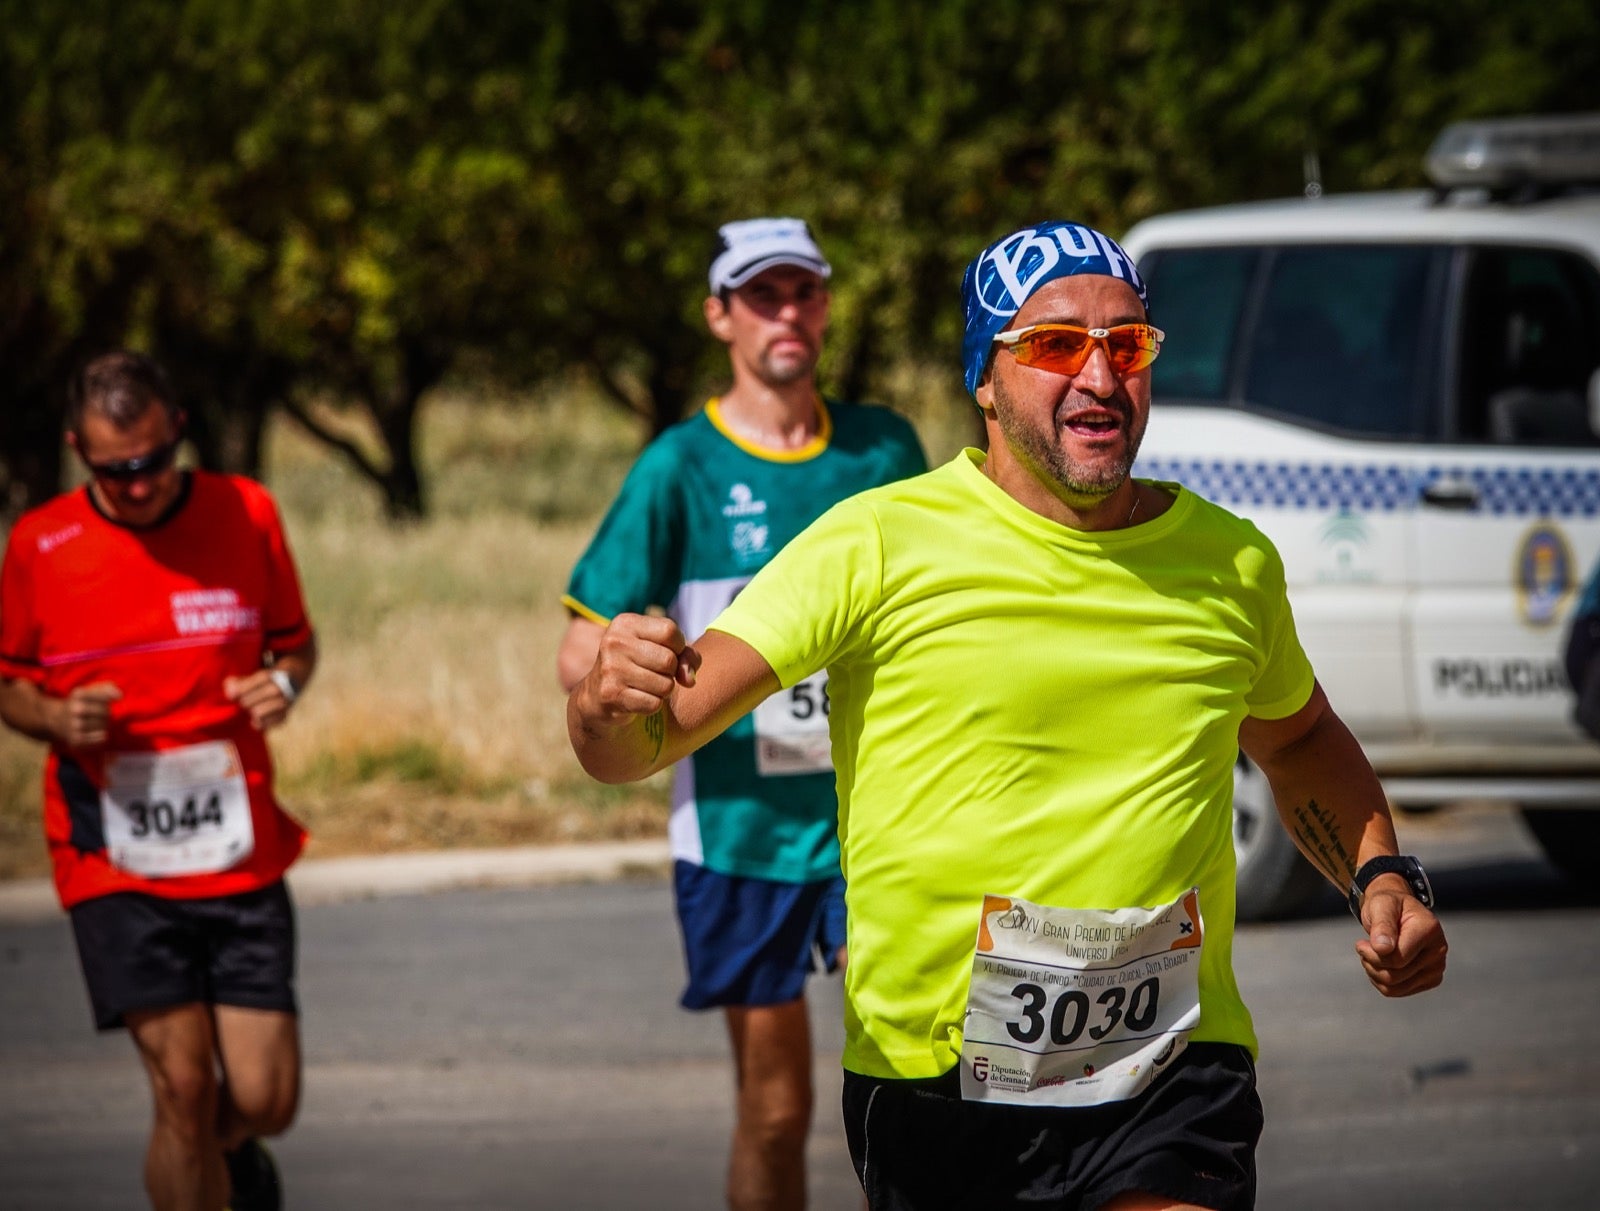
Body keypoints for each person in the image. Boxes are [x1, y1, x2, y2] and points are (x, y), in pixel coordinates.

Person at [566, 220, 1448, 1211]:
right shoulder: (875, 543)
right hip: (936, 1084)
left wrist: (1378, 870)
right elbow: (641, 742)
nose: (1101, 375)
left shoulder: (1230, 564)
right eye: (1055, 345)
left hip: (1169, 1063)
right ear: (984, 379)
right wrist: (607, 702)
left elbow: (1297, 737)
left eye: (1127, 343)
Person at [557, 217, 926, 1210]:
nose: (788, 312)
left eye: (803, 290)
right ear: (721, 315)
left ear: (827, 304)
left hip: (878, 825)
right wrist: (625, 668)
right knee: (774, 1107)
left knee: (920, 1090)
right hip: (739, 833)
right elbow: (578, 647)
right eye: (762, 294)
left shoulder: (886, 447)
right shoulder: (677, 467)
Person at [0, 351, 317, 1211]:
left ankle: (231, 1156)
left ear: (176, 433)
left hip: (238, 847)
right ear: (77, 450)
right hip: (112, 853)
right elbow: (9, 682)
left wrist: (282, 684)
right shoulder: (41, 545)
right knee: (181, 1086)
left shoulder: (247, 513)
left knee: (261, 1099)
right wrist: (55, 719)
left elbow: (295, 645)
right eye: (112, 470)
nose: (136, 486)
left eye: (151, 462)